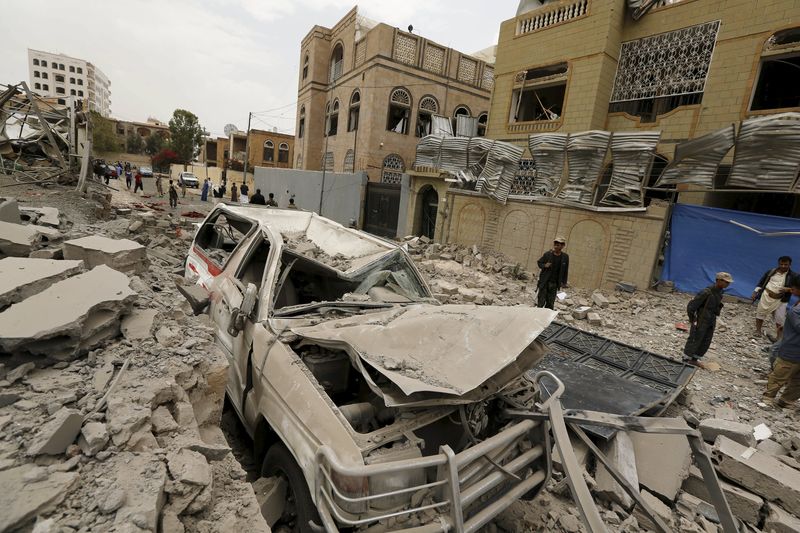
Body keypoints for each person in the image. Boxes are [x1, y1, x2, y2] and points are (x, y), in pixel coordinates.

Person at [763, 277, 800, 408]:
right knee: (780, 375)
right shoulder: (796, 311)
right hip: (792, 350)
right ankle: (768, 397)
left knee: (797, 381)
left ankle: (786, 400)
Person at [683, 272, 733, 367]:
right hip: (701, 320)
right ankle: (686, 359)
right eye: (725, 281)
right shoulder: (706, 292)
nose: (727, 284)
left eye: (728, 282)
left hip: (710, 320)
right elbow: (691, 307)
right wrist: (693, 320)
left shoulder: (719, 292)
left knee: (706, 340)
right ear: (718, 280)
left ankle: (694, 359)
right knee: (695, 339)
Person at [752, 256, 797, 341]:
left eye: (786, 264)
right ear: (778, 263)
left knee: (780, 319)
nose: (783, 266)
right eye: (781, 264)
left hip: (781, 299)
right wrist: (755, 292)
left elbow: (797, 289)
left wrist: (787, 289)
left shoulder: (794, 276)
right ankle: (758, 331)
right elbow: (761, 282)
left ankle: (779, 337)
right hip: (766, 295)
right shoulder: (771, 272)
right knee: (760, 312)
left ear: (790, 265)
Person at [536, 236, 569, 309]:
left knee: (550, 303)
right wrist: (545, 265)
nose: (556, 245)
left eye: (559, 244)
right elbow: (539, 262)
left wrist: (564, 282)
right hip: (545, 282)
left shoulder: (565, 257)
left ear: (563, 245)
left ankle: (546, 319)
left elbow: (565, 270)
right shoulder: (547, 254)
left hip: (554, 284)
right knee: (541, 302)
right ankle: (537, 318)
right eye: (555, 243)